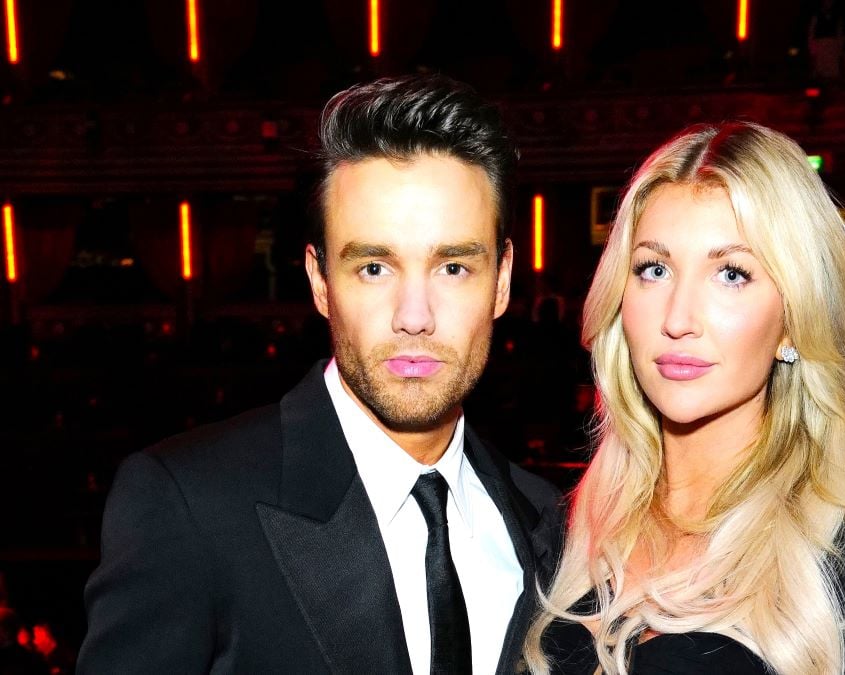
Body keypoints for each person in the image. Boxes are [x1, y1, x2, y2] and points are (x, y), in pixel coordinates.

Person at [79, 75, 564, 674]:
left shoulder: (547, 525)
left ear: (504, 279)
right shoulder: (187, 505)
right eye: (374, 268)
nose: (415, 317)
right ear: (319, 281)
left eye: (454, 267)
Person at [523, 122, 845, 674]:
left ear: (794, 320)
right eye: (654, 269)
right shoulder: (557, 533)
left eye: (731, 273)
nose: (678, 319)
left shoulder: (843, 561)